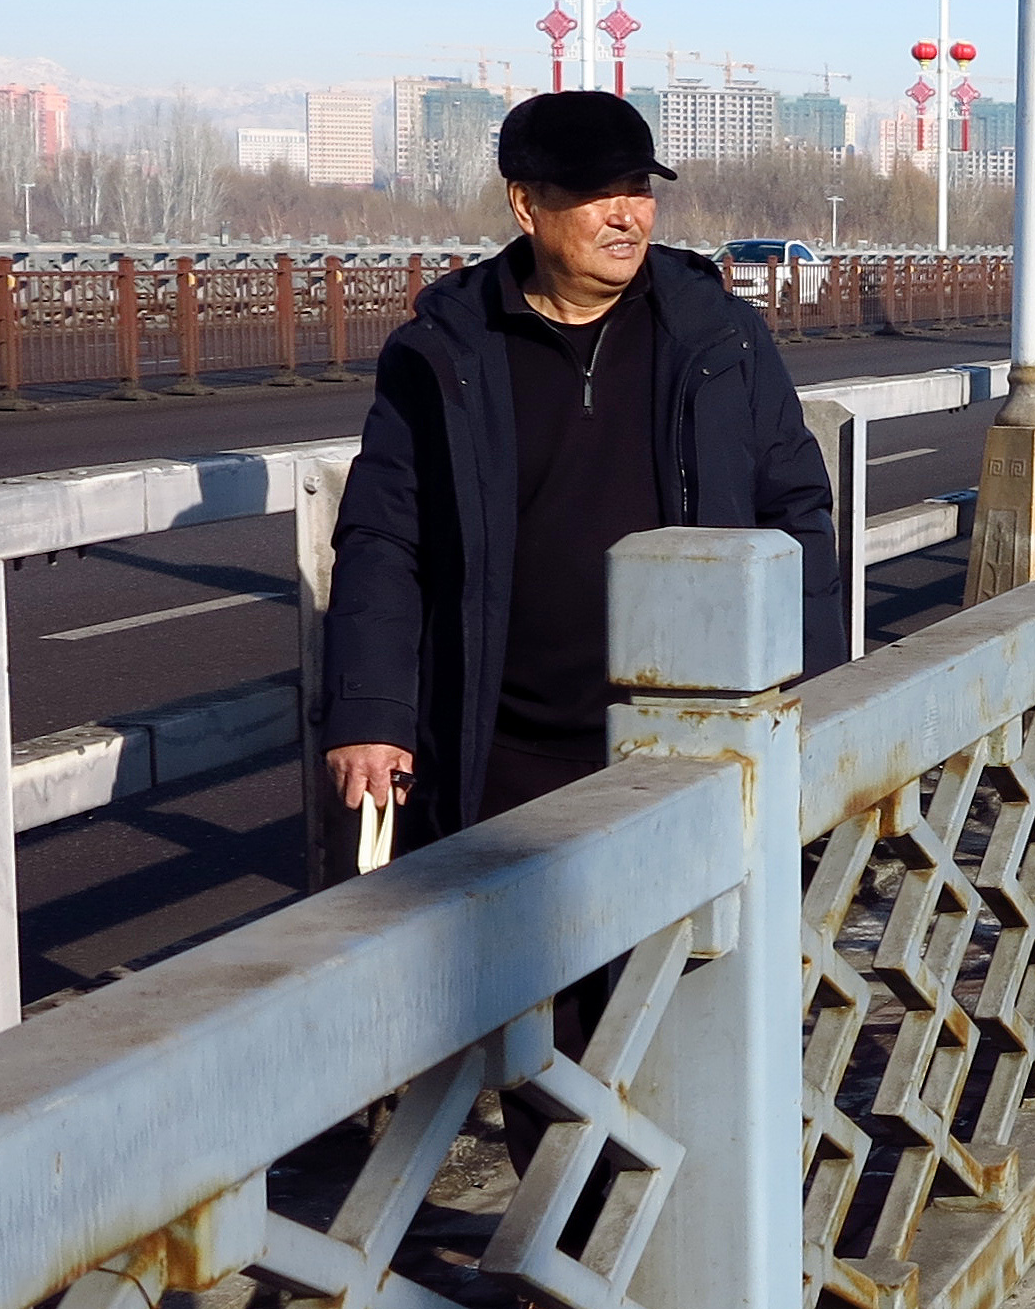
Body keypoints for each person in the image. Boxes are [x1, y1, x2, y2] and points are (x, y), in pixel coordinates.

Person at [318, 88, 838, 842]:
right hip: (498, 746)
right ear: (527, 205)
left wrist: (817, 692)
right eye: (598, 193)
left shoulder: (717, 336)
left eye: (638, 188)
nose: (626, 215)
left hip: (693, 732)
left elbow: (794, 513)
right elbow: (385, 535)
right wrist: (370, 708)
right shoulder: (446, 350)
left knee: (693, 918)